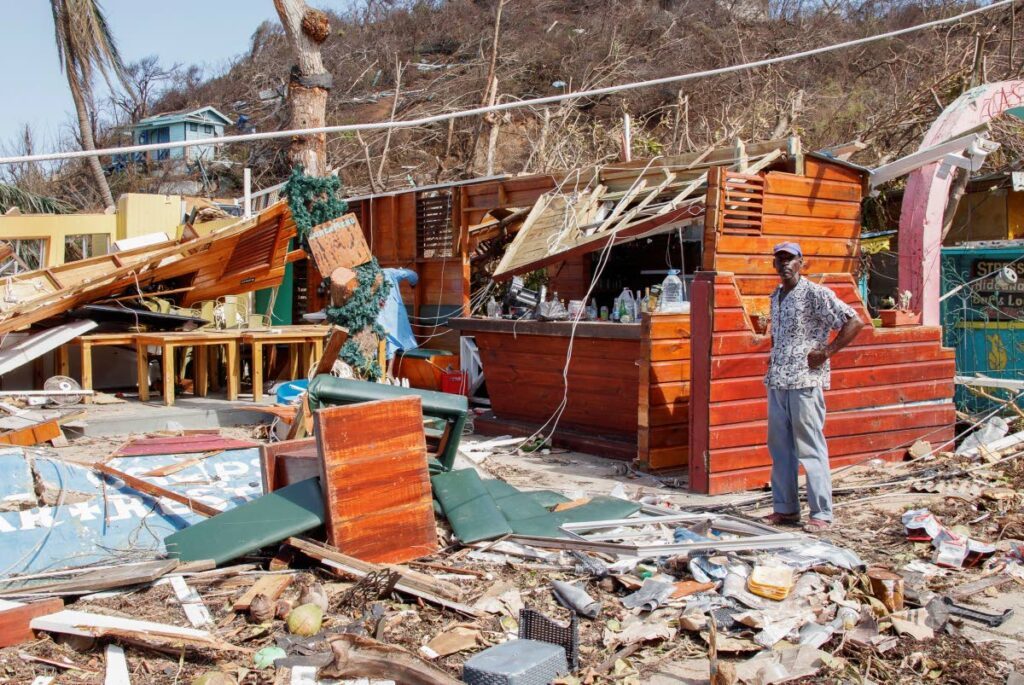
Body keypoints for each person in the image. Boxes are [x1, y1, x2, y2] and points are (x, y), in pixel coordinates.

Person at [763, 242, 864, 532]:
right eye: (779, 259)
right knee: (780, 447)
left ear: (801, 262)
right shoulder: (776, 296)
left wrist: (828, 351)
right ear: (774, 264)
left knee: (810, 446)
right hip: (778, 379)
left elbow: (854, 321)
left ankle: (821, 513)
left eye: (790, 259)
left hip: (805, 380)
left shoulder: (814, 294)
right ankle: (785, 509)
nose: (784, 264)